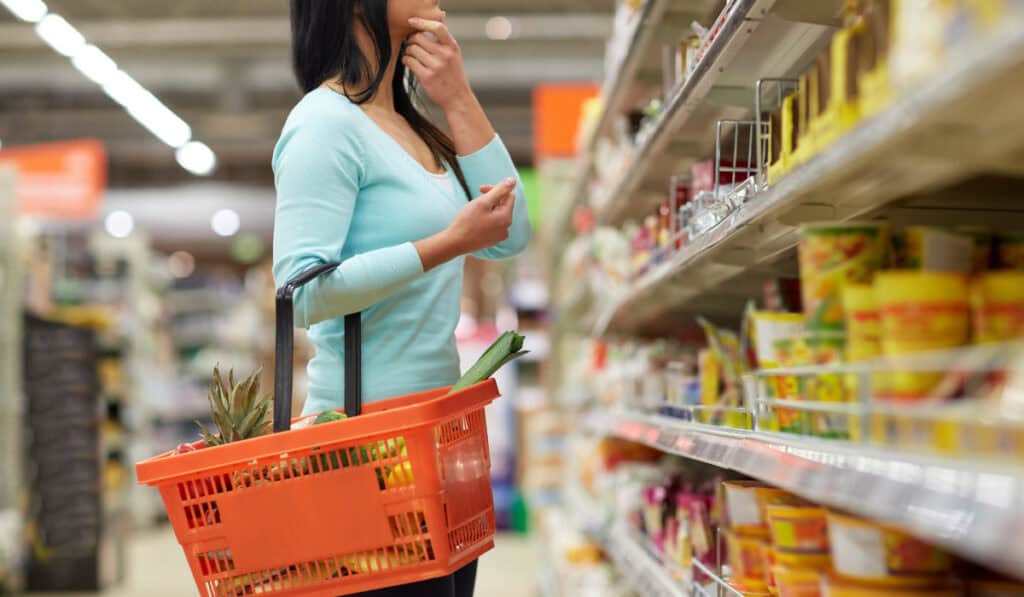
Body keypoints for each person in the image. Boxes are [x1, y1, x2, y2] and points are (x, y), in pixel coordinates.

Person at [273, 2, 530, 596]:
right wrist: (445, 244)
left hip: (440, 439)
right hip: (365, 447)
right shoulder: (323, 122)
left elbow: (510, 236)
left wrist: (458, 96)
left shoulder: (414, 126)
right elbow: (301, 293)